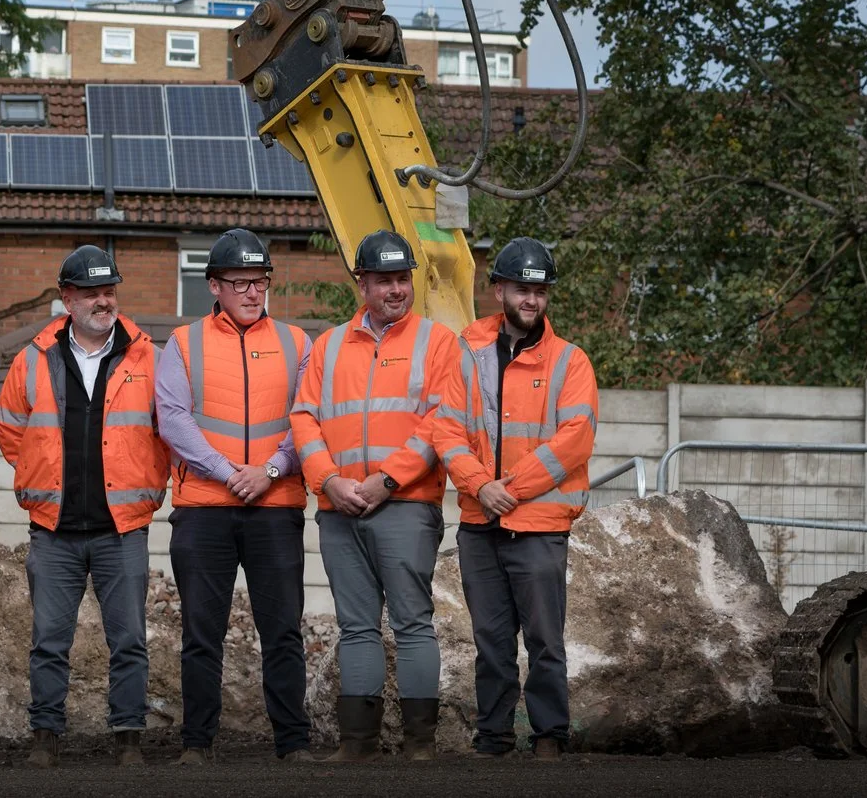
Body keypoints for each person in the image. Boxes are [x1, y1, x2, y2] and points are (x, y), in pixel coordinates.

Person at [291, 228, 466, 762]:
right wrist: (330, 481)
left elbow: (442, 420)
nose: (396, 289)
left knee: (413, 623)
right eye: (385, 280)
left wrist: (385, 481)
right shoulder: (330, 345)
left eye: (402, 279)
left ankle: (420, 744)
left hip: (407, 506)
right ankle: (357, 744)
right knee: (357, 626)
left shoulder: (437, 342)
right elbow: (304, 418)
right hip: (339, 507)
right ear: (361, 283)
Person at [0, 245, 168, 768]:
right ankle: (45, 738)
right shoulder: (33, 359)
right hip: (54, 529)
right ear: (66, 298)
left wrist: (146, 480)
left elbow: (167, 431)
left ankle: (128, 740)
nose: (103, 300)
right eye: (91, 292)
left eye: (109, 290)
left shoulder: (147, 356)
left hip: (123, 527)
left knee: (129, 641)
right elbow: (10, 432)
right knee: (49, 640)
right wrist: (42, 476)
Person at [432, 237, 596, 761]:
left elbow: (574, 440)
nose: (532, 300)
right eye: (522, 289)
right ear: (498, 289)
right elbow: (446, 431)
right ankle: (494, 738)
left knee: (546, 642)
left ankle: (549, 738)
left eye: (540, 291)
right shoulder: (466, 352)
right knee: (492, 644)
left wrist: (511, 490)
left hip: (541, 525)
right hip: (481, 524)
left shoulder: (571, 363)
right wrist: (482, 487)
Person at [153, 229, 313, 764]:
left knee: (283, 632)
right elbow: (173, 420)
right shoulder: (183, 343)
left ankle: (293, 743)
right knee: (202, 634)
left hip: (275, 507)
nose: (252, 292)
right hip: (203, 510)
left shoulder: (296, 343)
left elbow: (308, 419)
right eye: (240, 283)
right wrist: (228, 472)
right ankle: (196, 744)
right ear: (214, 286)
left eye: (260, 281)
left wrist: (269, 470)